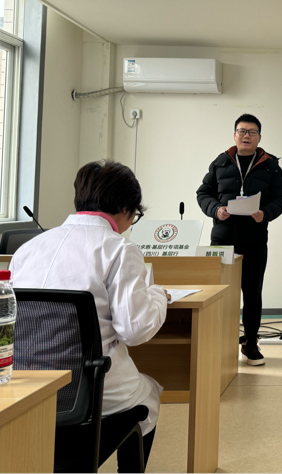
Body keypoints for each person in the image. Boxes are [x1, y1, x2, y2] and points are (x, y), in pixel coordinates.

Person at [10, 160, 169, 472]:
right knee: (149, 392)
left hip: (24, 388)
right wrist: (157, 296)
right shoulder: (120, 249)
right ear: (125, 208)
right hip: (87, 391)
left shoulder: (27, 250)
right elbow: (136, 331)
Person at [196, 113, 282, 366]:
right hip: (222, 241)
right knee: (220, 294)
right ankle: (219, 343)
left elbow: (281, 198)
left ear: (259, 137)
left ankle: (250, 343)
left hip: (254, 240)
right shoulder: (221, 162)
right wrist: (216, 209)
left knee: (252, 294)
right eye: (242, 131)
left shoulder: (270, 166)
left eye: (252, 132)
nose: (246, 136)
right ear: (234, 135)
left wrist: (265, 213)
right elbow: (203, 193)